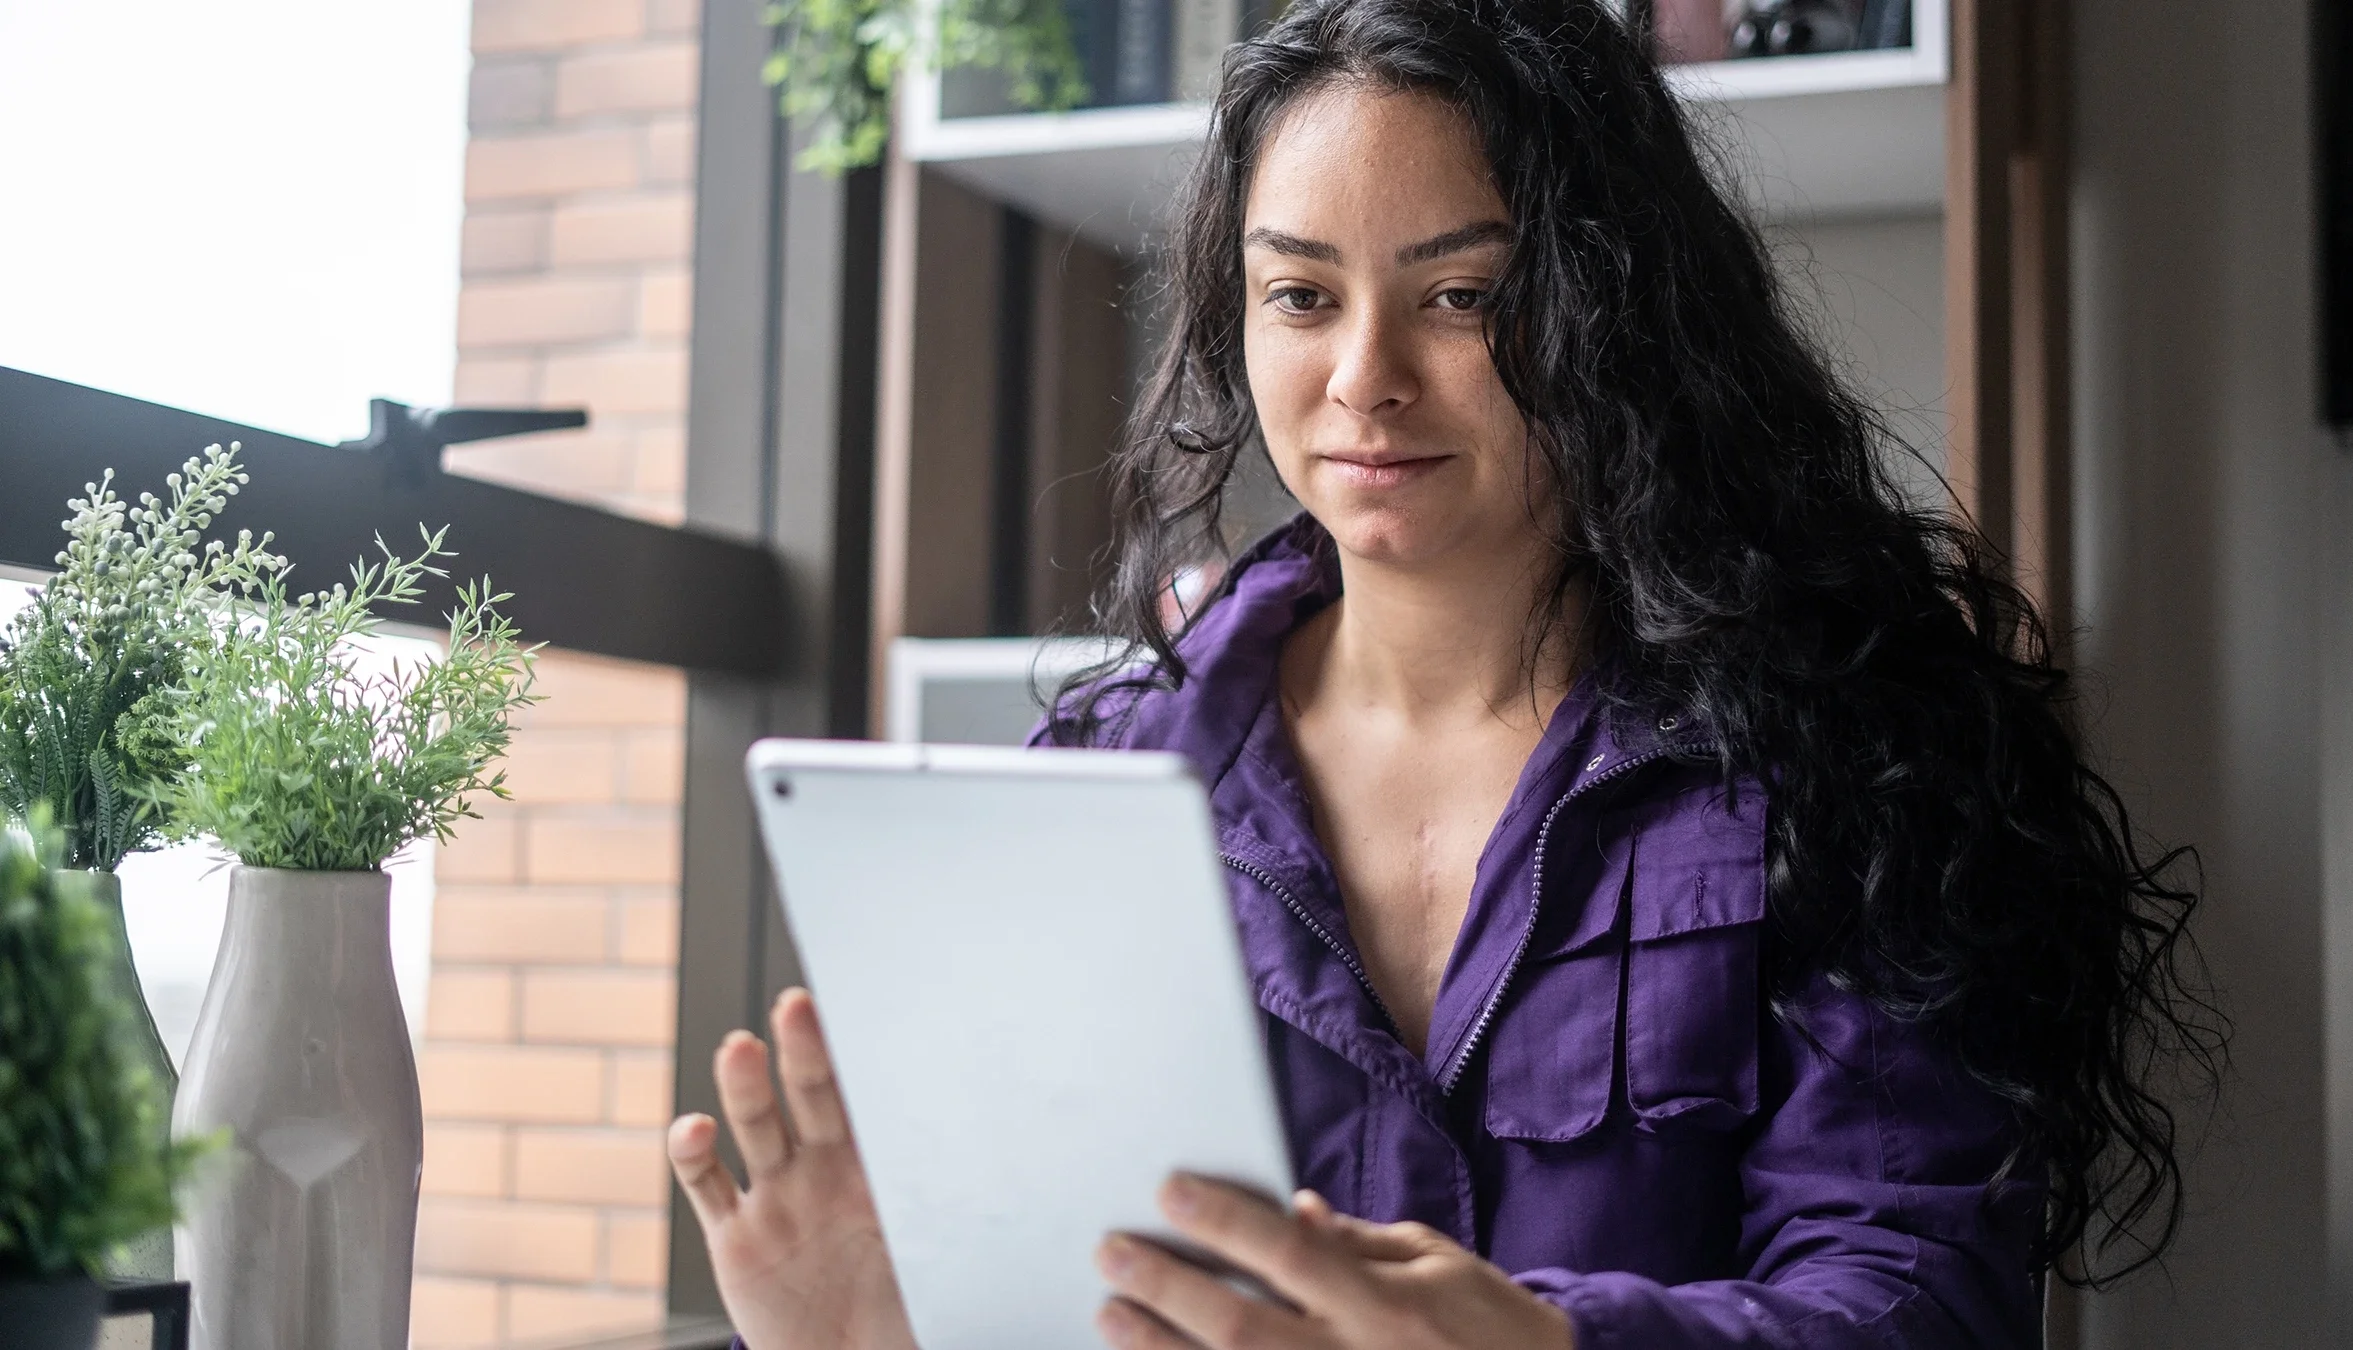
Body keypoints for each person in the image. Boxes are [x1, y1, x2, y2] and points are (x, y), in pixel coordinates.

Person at [664, 0, 2221, 1345]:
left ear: (1613, 308)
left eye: (1463, 294)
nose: (1364, 378)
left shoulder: (1842, 749)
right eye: (1301, 294)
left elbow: (1925, 1300)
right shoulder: (1102, 783)